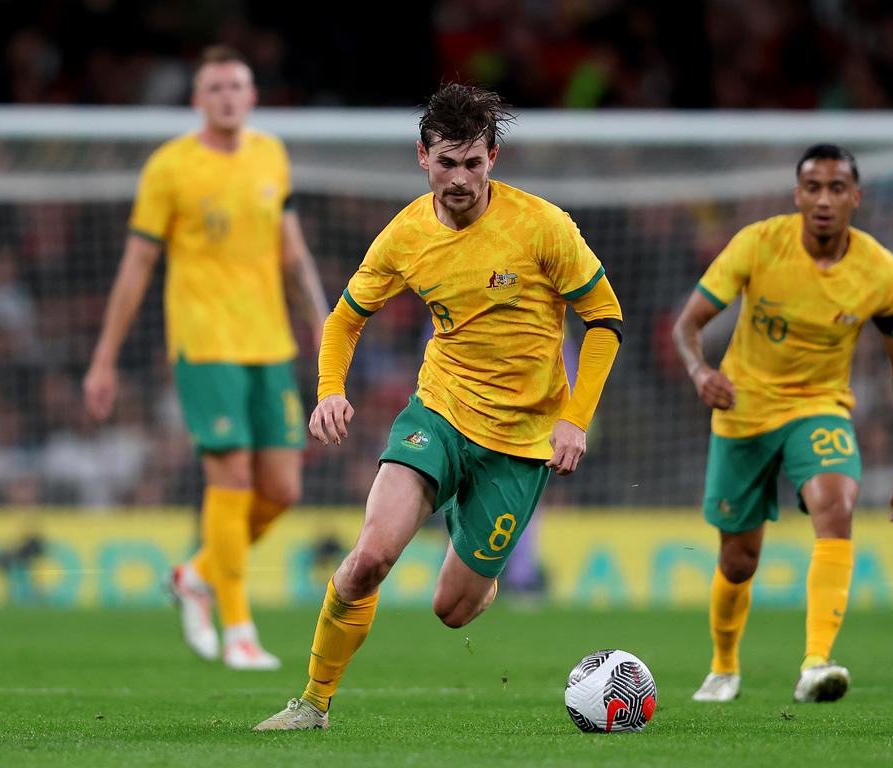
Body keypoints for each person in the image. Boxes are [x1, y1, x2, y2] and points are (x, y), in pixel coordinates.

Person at [253, 83, 624, 730]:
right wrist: (329, 390)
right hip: (440, 414)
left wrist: (575, 418)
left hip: (520, 441)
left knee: (452, 609)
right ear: (421, 157)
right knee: (369, 558)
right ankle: (312, 702)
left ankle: (476, 545)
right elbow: (344, 318)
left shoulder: (544, 226)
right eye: (446, 162)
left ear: (493, 159)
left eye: (473, 163)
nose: (460, 178)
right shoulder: (404, 235)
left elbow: (605, 319)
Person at [83, 45, 328, 671]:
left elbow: (292, 252)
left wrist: (328, 327)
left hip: (270, 343)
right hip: (205, 343)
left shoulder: (271, 155)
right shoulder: (170, 167)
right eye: (214, 87)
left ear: (252, 97)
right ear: (198, 99)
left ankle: (194, 574)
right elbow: (137, 264)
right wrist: (104, 358)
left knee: (283, 489)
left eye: (237, 86)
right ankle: (239, 627)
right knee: (233, 481)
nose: (226, 96)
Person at [672, 144, 893, 703]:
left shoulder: (881, 272)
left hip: (819, 407)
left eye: (837, 188)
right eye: (813, 187)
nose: (824, 200)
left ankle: (816, 663)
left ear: (856, 198)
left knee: (836, 506)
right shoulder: (758, 244)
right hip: (743, 411)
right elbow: (687, 326)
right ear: (797, 196)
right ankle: (723, 667)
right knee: (738, 560)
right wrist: (698, 372)